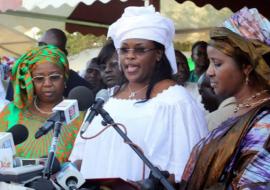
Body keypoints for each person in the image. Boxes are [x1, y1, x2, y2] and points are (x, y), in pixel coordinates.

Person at [70, 5, 208, 184]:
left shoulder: (176, 101)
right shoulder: (106, 99)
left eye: (140, 49)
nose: (130, 56)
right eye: (124, 50)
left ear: (158, 54)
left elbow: (189, 171)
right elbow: (80, 157)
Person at [180, 27, 270, 189]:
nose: (209, 72)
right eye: (209, 63)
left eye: (217, 64)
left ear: (246, 68)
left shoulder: (265, 124)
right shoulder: (241, 109)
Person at [0, 45, 85, 163]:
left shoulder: (80, 117)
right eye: (39, 79)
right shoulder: (12, 111)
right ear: (31, 81)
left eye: (54, 77)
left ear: (65, 78)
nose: (47, 84)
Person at [5, 28, 92, 101]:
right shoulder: (20, 75)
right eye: (41, 45)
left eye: (50, 50)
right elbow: (11, 111)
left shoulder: (71, 78)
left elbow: (90, 96)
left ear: (62, 54)